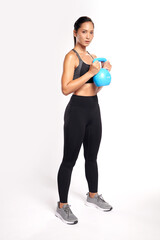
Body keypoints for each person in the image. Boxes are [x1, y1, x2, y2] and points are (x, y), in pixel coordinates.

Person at [55, 16, 112, 225]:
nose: (88, 36)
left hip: (93, 109)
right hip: (77, 110)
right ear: (75, 33)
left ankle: (93, 195)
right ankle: (62, 206)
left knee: (92, 156)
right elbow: (65, 88)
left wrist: (104, 74)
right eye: (84, 32)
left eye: (91, 32)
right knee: (69, 159)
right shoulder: (71, 57)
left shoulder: (93, 57)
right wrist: (90, 72)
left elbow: (94, 88)